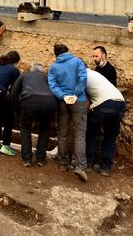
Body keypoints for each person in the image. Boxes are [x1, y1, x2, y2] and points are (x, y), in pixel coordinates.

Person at [48, 43, 89, 182]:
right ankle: (80, 166)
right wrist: (76, 94)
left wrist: (64, 96)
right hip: (79, 101)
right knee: (80, 134)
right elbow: (83, 78)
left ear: (56, 54)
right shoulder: (77, 61)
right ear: (67, 51)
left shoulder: (54, 66)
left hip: (63, 102)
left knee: (63, 133)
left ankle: (63, 163)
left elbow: (52, 85)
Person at [10, 63, 58, 167]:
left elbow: (13, 93)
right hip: (49, 103)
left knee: (25, 128)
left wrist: (18, 111)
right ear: (42, 71)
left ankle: (27, 159)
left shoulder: (24, 75)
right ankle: (41, 159)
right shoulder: (47, 77)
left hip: (28, 102)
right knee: (45, 129)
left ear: (32, 70)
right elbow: (55, 91)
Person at [85, 69, 126, 177]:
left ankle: (88, 163)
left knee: (90, 134)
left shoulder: (82, 74)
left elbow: (83, 98)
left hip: (105, 104)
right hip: (121, 103)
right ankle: (105, 167)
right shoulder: (95, 74)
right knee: (110, 137)